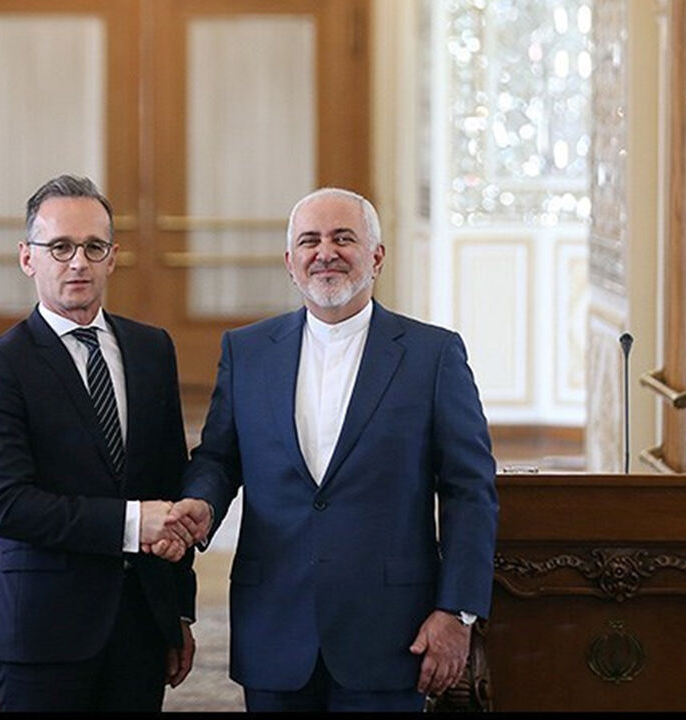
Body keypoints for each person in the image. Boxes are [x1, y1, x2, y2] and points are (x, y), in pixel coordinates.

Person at [166, 187, 498, 712]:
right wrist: (203, 503)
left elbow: (469, 491)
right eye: (309, 241)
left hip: (391, 632)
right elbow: (219, 457)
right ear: (290, 262)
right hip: (273, 622)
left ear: (377, 256)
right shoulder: (246, 351)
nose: (325, 252)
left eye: (344, 238)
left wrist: (457, 612)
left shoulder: (433, 356)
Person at [0, 175, 197, 711]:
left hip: (140, 630)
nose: (78, 263)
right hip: (44, 638)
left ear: (113, 258)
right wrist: (134, 524)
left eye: (94, 247)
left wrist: (177, 612)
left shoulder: (151, 349)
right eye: (60, 247)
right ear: (27, 258)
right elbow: (6, 505)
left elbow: (169, 483)